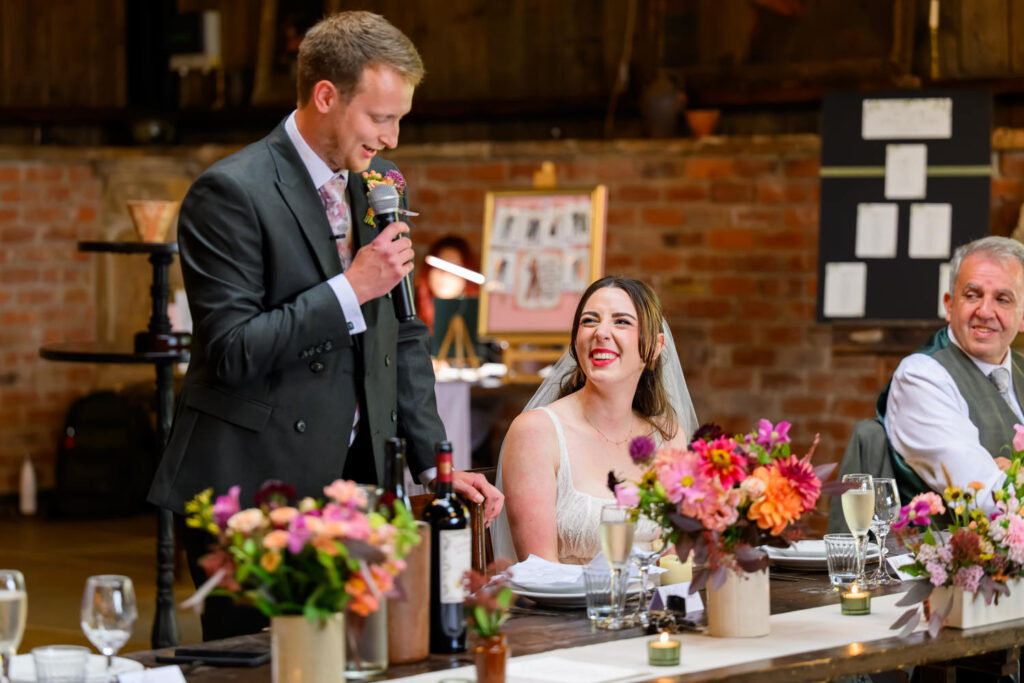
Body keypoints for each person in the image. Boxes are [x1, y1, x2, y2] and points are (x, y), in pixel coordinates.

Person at [147, 11, 502, 639]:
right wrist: (350, 288)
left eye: (400, 119)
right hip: (258, 488)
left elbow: (404, 336)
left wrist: (431, 465)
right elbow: (230, 351)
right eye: (379, 117)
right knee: (267, 670)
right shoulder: (230, 191)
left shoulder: (377, 187)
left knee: (374, 658)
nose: (392, 139)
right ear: (325, 95)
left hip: (359, 485)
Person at [492, 277, 699, 564]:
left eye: (622, 322)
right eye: (589, 321)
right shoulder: (536, 433)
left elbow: (679, 561)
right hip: (568, 608)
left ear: (654, 346)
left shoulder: (668, 439)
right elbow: (540, 572)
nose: (601, 332)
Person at [881, 236, 1024, 513]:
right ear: (949, 305)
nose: (985, 311)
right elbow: (983, 498)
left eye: (1003, 299)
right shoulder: (921, 377)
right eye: (972, 295)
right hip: (950, 553)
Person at [414, 235, 480, 333]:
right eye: (439, 266)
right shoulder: (412, 311)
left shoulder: (478, 318)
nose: (445, 274)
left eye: (454, 267)